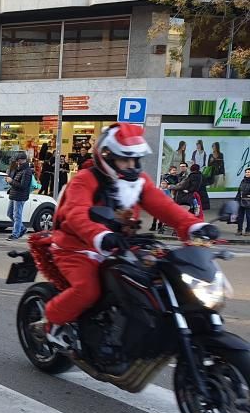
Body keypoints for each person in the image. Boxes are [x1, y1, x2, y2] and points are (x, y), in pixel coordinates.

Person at [42, 123, 215, 348]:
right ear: (108, 157)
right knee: (88, 290)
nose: (132, 165)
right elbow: (76, 214)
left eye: (135, 160)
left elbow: (164, 205)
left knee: (157, 279)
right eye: (126, 159)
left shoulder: (138, 181)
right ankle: (52, 322)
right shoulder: (85, 179)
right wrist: (101, 235)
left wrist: (194, 226)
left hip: (121, 245)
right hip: (78, 247)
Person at [5, 152, 33, 240]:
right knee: (10, 213)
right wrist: (9, 177)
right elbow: (13, 179)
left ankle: (15, 234)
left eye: (18, 161)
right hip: (14, 194)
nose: (17, 162)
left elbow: (23, 186)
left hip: (20, 196)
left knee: (17, 215)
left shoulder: (27, 171)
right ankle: (22, 228)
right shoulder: (18, 169)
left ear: (21, 160)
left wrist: (11, 181)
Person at [236, 168, 250, 236]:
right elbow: (239, 191)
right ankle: (239, 230)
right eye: (246, 172)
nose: (247, 173)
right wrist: (236, 200)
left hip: (248, 202)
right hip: (241, 201)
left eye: (249, 172)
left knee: (248, 217)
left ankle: (248, 231)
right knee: (240, 216)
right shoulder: (243, 181)